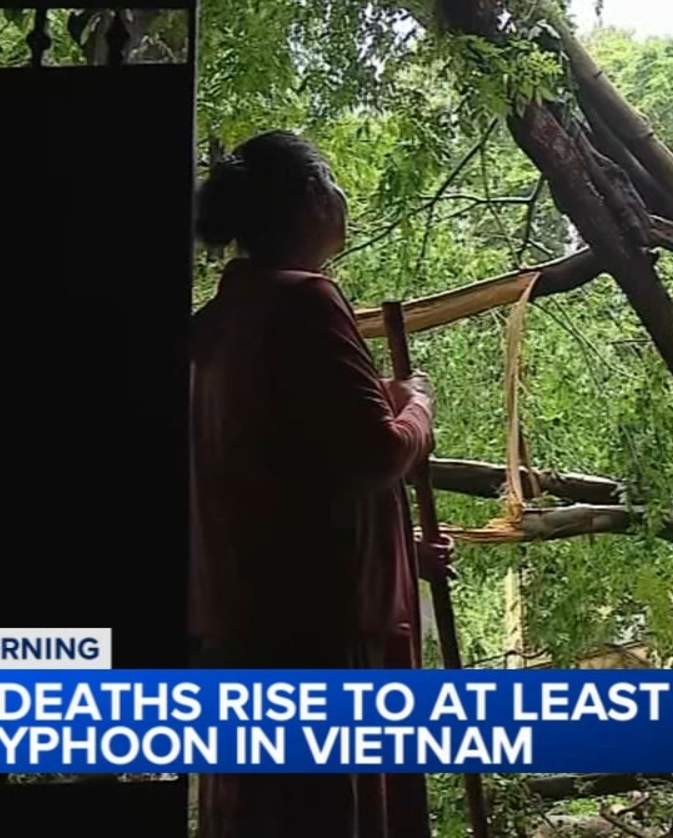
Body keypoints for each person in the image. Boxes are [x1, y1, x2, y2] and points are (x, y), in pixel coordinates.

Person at [189, 130, 450, 838]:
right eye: (330, 181)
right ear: (308, 200)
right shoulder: (305, 303)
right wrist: (419, 403)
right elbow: (374, 453)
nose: (341, 197)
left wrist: (404, 559)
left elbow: (285, 472)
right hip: (316, 632)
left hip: (242, 622)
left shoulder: (214, 325)